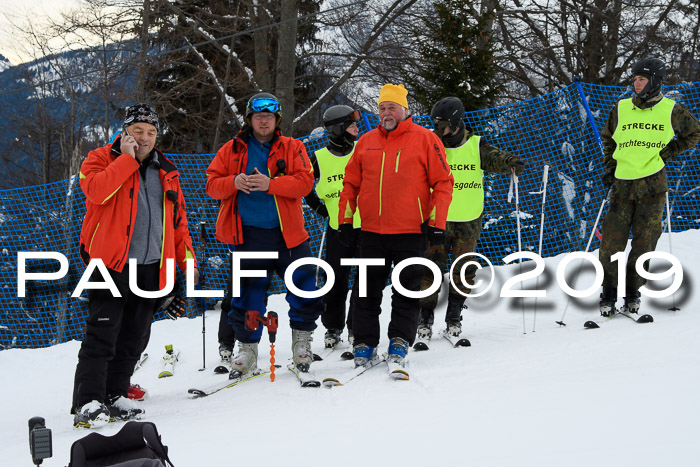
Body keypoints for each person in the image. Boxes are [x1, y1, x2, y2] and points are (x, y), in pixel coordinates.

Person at [73, 104, 198, 428]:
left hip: (150, 267)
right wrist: (127, 160)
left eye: (151, 132)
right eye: (138, 131)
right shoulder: (99, 159)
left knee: (134, 336)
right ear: (126, 131)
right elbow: (97, 193)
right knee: (102, 334)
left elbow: (178, 222)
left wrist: (187, 262)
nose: (144, 137)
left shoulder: (166, 170)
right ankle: (88, 401)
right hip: (109, 264)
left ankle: (114, 395)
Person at [206, 92, 323, 377]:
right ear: (249, 119)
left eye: (268, 117)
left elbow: (305, 183)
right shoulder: (231, 149)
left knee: (305, 290)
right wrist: (233, 181)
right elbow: (212, 186)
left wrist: (271, 184)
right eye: (258, 116)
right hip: (248, 236)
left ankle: (302, 343)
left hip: (290, 236)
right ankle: (246, 349)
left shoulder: (293, 147)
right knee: (247, 297)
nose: (263, 121)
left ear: (276, 120)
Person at [337, 83, 454, 367]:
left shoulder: (425, 139)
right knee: (366, 291)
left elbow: (442, 182)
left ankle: (400, 340)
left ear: (405, 109)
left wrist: (437, 222)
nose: (386, 113)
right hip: (372, 232)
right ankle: (364, 342)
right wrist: (345, 219)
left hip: (410, 231)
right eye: (382, 108)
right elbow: (351, 183)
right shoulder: (366, 141)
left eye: (392, 107)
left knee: (406, 290)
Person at [417, 97, 526, 341]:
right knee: (429, 268)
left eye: (442, 124)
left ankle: (454, 315)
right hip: (437, 219)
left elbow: (496, 157)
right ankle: (425, 317)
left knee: (464, 269)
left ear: (455, 122)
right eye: (435, 124)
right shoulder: (432, 144)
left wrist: (511, 163)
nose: (438, 129)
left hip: (469, 220)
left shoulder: (476, 145)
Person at [599, 57, 700, 315]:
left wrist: (669, 151)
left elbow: (694, 132)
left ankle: (633, 293)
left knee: (644, 245)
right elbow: (608, 138)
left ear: (654, 81)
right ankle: (608, 294)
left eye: (641, 79)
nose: (636, 83)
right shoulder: (621, 108)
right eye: (634, 79)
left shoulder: (671, 109)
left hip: (653, 187)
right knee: (611, 244)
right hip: (622, 186)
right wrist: (610, 167)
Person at [304, 105, 362, 349]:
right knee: (336, 280)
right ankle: (333, 327)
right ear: (338, 129)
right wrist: (319, 208)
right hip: (338, 230)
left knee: (364, 282)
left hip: (367, 229)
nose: (356, 130)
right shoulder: (319, 158)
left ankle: (357, 327)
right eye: (351, 126)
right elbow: (304, 186)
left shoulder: (363, 150)